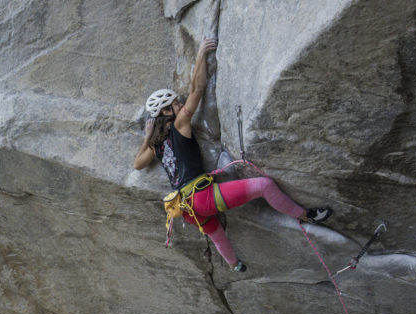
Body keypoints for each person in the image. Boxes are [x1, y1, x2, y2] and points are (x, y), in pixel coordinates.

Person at [132, 38, 332, 272]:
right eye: (175, 103)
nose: (181, 104)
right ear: (167, 111)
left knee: (217, 234)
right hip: (202, 197)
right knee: (264, 186)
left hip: (186, 209)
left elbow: (138, 164)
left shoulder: (156, 144)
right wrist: (200, 55)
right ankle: (305, 216)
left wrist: (147, 136)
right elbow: (197, 90)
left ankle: (235, 265)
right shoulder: (179, 124)